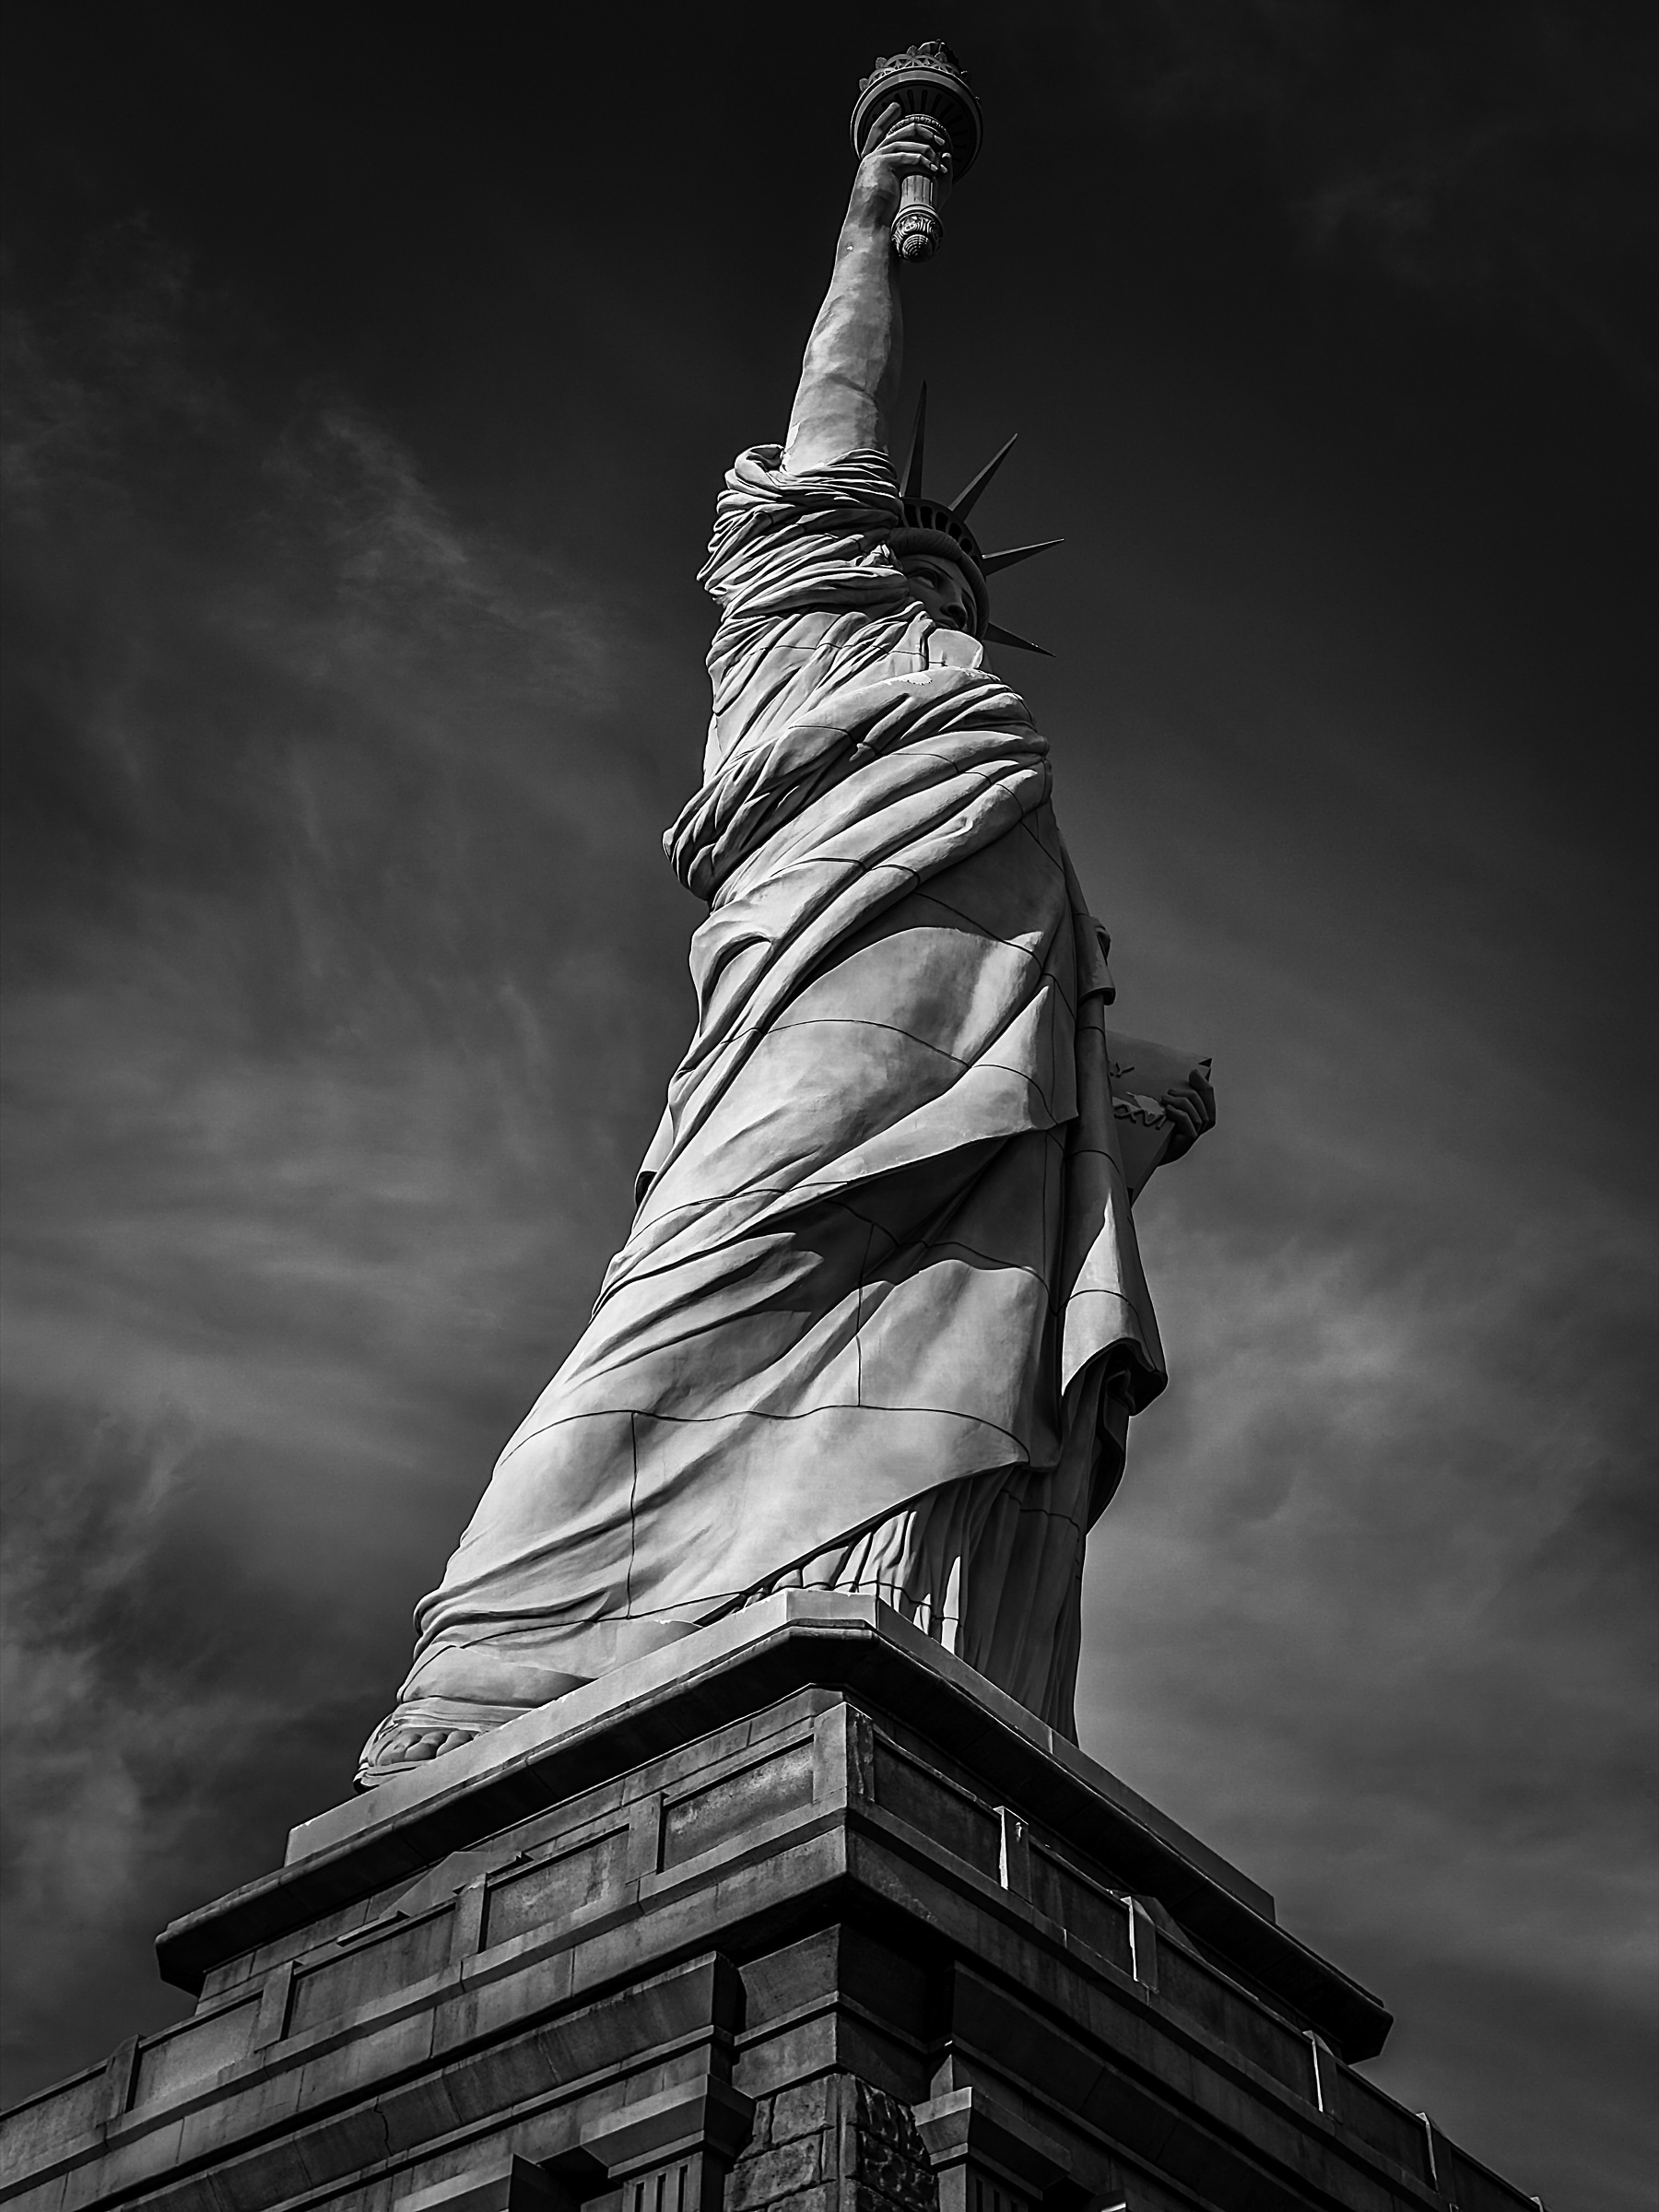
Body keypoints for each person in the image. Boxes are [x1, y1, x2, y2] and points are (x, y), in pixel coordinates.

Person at [356, 106, 1215, 1788]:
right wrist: (887, 196)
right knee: (709, 1272)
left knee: (969, 1328)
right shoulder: (803, 627)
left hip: (983, 1052)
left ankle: (870, 1592)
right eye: (918, 553)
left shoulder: (965, 717)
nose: (941, 582)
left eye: (955, 577)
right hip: (813, 1002)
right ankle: (492, 1656)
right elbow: (844, 402)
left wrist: (1131, 1112)